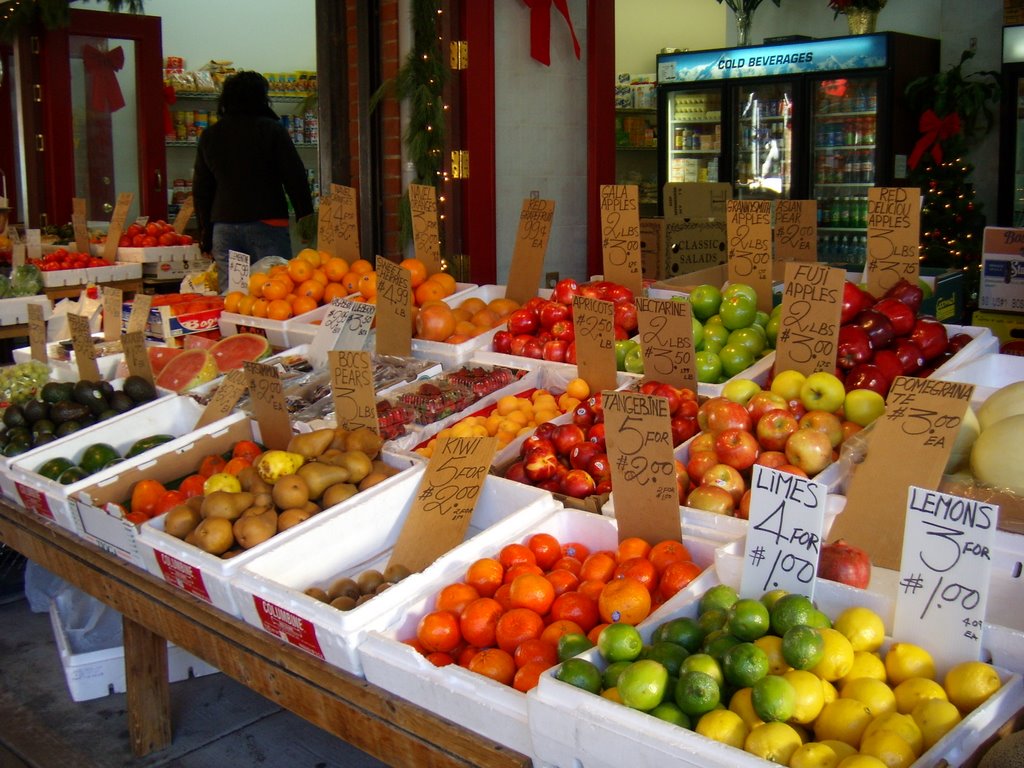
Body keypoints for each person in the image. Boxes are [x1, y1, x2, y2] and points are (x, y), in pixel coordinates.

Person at [193, 70, 314, 294]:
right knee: (275, 292)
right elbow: (295, 178)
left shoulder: (211, 135)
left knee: (231, 297)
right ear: (262, 97)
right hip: (267, 223)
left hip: (224, 226)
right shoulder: (272, 130)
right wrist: (305, 220)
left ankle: (233, 330)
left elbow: (202, 190)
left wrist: (205, 235)